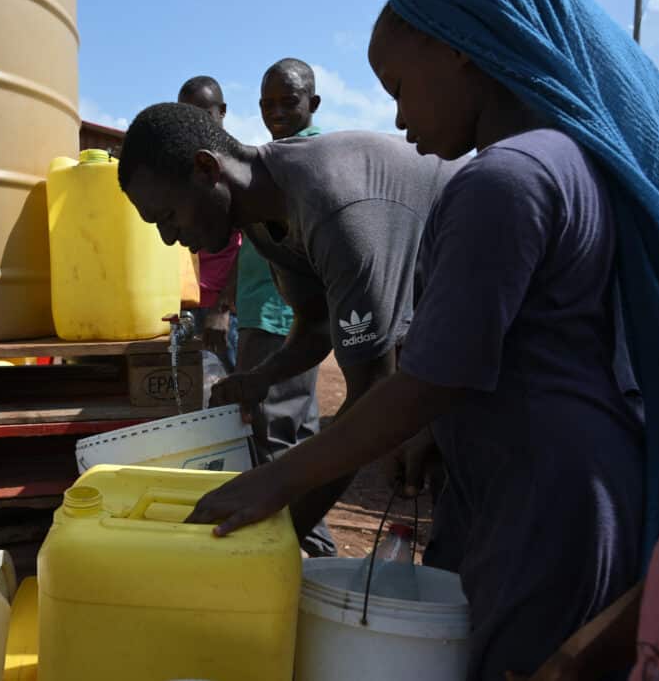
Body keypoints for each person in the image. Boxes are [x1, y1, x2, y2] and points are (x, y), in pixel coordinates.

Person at [187, 0, 659, 675]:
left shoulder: (504, 180)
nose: (397, 116)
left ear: (460, 48)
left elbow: (426, 382)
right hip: (542, 488)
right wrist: (431, 433)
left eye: (398, 87)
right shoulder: (557, 159)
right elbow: (515, 346)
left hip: (539, 505)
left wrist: (275, 481)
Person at [117, 102, 463, 547]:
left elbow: (373, 393)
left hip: (513, 331)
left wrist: (273, 518)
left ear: (206, 169)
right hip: (449, 346)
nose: (168, 237)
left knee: (483, 531)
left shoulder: (335, 205)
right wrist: (262, 378)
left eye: (168, 216)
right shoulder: (262, 215)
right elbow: (317, 325)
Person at [236, 57, 327, 556]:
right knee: (295, 430)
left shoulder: (306, 161)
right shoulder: (275, 157)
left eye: (288, 102)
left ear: (313, 103)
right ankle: (309, 549)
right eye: (267, 104)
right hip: (265, 313)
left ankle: (308, 552)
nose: (276, 112)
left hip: (283, 320)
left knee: (275, 437)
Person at [177, 76, 241, 371]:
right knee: (194, 397)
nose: (193, 123)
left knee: (235, 399)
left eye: (202, 114)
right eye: (185, 114)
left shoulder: (238, 164)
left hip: (224, 312)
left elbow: (250, 245)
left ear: (222, 111)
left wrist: (222, 309)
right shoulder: (181, 167)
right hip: (183, 308)